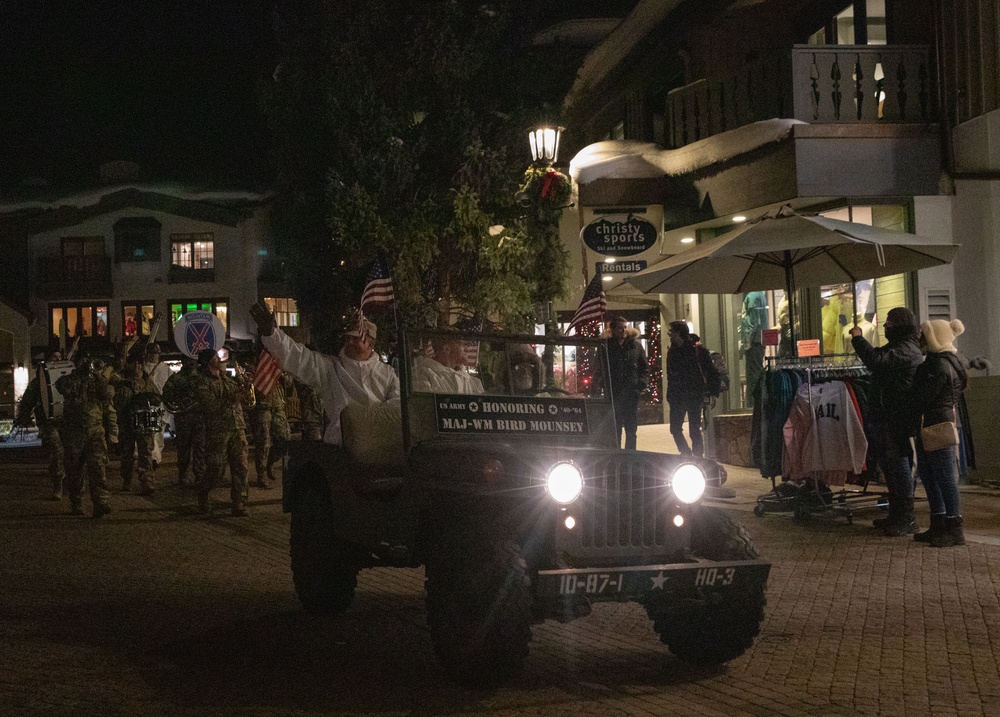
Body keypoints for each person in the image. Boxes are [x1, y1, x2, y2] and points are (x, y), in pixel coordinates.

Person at [250, 302, 399, 446]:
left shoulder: (388, 374)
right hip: (342, 445)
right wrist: (271, 334)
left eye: (356, 338)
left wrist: (371, 422)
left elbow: (397, 405)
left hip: (380, 446)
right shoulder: (331, 368)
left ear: (371, 344)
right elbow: (299, 358)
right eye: (347, 338)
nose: (349, 342)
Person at [850, 306, 923, 536]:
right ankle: (897, 514)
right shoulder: (901, 347)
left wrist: (859, 339)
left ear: (900, 327)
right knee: (891, 466)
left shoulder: (906, 350)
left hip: (896, 417)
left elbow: (876, 361)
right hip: (887, 415)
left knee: (898, 465)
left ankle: (906, 518)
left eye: (889, 325)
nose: (885, 328)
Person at [912, 319, 969, 548]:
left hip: (933, 425)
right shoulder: (953, 362)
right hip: (940, 423)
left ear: (934, 338)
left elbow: (922, 397)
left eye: (924, 336)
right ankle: (940, 524)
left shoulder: (935, 365)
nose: (920, 340)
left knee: (942, 477)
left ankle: (953, 528)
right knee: (934, 476)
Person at [55, 354, 118, 518]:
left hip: (95, 430)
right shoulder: (69, 380)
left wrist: (97, 376)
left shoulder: (98, 382)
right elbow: (62, 387)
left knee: (98, 466)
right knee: (75, 471)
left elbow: (107, 396)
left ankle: (100, 502)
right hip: (74, 432)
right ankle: (77, 502)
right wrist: (79, 374)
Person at [191, 348, 251, 516]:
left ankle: (239, 502)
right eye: (215, 357)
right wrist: (231, 399)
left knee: (241, 467)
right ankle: (203, 492)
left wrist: (245, 389)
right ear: (209, 361)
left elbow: (240, 400)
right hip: (218, 430)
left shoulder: (227, 379)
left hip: (237, 428)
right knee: (216, 468)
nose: (219, 359)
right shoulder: (203, 382)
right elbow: (208, 406)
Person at [15, 351, 67, 500]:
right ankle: (58, 486)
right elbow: (27, 402)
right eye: (53, 357)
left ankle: (70, 485)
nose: (57, 359)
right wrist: (23, 417)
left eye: (59, 357)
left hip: (66, 422)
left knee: (71, 454)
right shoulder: (38, 383)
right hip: (48, 423)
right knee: (58, 452)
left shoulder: (68, 378)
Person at [111, 356, 161, 495]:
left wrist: (149, 399)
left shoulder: (147, 381)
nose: (137, 366)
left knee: (146, 453)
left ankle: (147, 481)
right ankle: (127, 479)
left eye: (140, 363)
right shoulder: (121, 382)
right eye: (134, 363)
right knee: (127, 453)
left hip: (144, 423)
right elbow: (117, 401)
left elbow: (156, 398)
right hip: (127, 423)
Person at [666, 320, 716, 457]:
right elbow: (670, 376)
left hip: (694, 395)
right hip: (677, 396)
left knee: (694, 429)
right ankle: (686, 454)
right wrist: (670, 395)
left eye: (671, 331)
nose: (669, 334)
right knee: (675, 428)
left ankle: (698, 458)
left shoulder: (698, 350)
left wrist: (712, 392)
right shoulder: (672, 351)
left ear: (679, 333)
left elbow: (710, 371)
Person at [603, 316, 649, 450]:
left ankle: (630, 454)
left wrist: (641, 383)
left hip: (631, 393)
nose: (623, 330)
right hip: (614, 392)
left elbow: (644, 367)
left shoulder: (635, 346)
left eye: (625, 327)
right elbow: (600, 368)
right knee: (615, 428)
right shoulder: (606, 347)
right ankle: (616, 454)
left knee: (631, 428)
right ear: (612, 329)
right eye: (619, 328)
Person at [161, 356, 204, 487]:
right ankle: (183, 475)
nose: (191, 363)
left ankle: (199, 475)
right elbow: (166, 396)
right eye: (188, 361)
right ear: (183, 362)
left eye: (193, 361)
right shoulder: (176, 379)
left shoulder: (202, 377)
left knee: (200, 448)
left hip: (200, 418)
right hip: (184, 418)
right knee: (183, 449)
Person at [412, 333, 484, 395]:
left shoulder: (474, 382)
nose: (467, 349)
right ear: (447, 348)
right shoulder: (423, 375)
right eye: (462, 344)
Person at [143, 343, 171, 469]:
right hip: (147, 406)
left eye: (155, 353)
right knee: (150, 434)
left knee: (159, 436)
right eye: (151, 353)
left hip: (161, 406)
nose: (153, 356)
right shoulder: (143, 368)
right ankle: (153, 458)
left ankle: (155, 457)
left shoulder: (165, 369)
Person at [739, 291, 768, 406]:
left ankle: (753, 405)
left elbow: (752, 322)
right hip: (758, 341)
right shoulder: (759, 295)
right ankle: (756, 403)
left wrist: (746, 343)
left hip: (754, 342)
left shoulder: (752, 296)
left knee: (753, 376)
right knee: (756, 373)